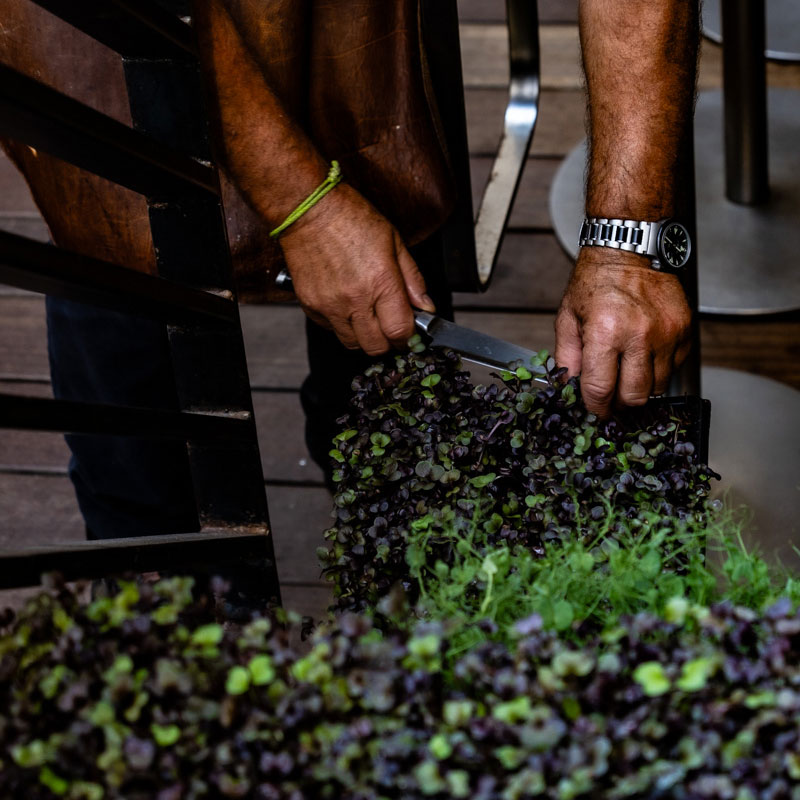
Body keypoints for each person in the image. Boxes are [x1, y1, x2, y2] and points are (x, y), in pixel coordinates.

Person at [1, 0, 698, 539]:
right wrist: (303, 207)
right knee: (126, 250)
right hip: (109, 39)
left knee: (391, 385)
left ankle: (397, 517)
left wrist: (625, 243)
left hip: (345, 36)